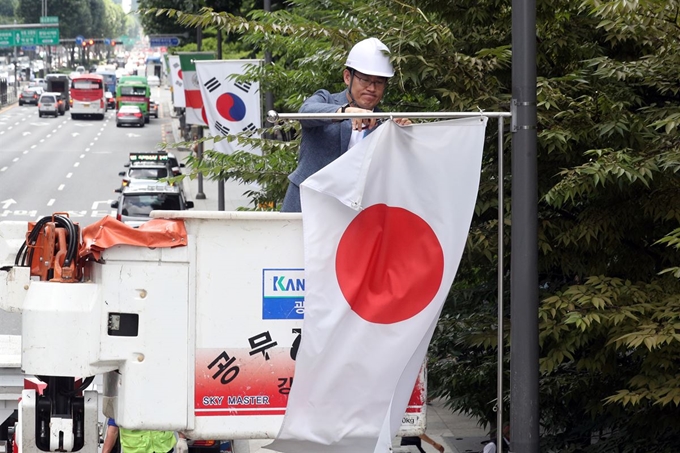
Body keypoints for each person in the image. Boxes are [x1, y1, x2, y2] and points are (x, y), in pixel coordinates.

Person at [280, 37, 412, 212]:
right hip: (308, 206)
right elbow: (305, 113)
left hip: (352, 215)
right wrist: (344, 112)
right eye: (365, 80)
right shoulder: (326, 99)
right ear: (347, 77)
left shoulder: (385, 122)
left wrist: (404, 136)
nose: (372, 88)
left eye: (379, 82)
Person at [101, 418, 188, 453]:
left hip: (162, 449)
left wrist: (182, 438)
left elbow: (177, 415)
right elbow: (113, 430)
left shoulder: (162, 389)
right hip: (136, 450)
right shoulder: (124, 395)